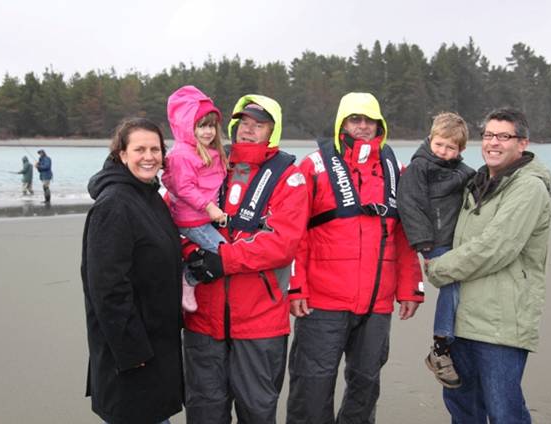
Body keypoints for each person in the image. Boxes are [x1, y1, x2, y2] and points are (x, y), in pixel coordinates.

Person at [286, 92, 425, 424]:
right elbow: (296, 234)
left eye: (369, 120)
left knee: (365, 385)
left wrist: (410, 287)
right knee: (312, 385)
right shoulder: (313, 166)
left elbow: (405, 235)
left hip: (377, 305)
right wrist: (296, 287)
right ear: (341, 124)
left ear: (380, 125)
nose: (362, 127)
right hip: (322, 303)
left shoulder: (397, 169)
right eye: (354, 120)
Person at [181, 95, 309, 423]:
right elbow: (177, 214)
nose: (249, 131)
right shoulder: (205, 163)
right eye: (244, 123)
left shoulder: (289, 177)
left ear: (273, 131)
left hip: (260, 321)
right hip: (203, 320)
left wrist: (223, 259)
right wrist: (191, 253)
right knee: (204, 412)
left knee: (257, 412)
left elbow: (282, 243)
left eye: (259, 125)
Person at [426, 107, 551, 423]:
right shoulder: (475, 183)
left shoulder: (528, 187)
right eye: (488, 135)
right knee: (464, 411)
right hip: (461, 323)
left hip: (500, 326)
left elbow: (495, 248)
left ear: (522, 143)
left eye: (503, 136)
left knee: (504, 412)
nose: (493, 143)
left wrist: (439, 268)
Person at [80, 117, 183, 424]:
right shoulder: (115, 205)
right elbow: (107, 288)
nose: (149, 156)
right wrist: (133, 352)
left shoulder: (149, 197)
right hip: (131, 356)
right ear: (122, 154)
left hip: (155, 348)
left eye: (155, 149)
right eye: (140, 149)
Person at [396, 112, 475, 389]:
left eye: (450, 147)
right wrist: (423, 242)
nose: (443, 151)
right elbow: (409, 204)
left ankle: (458, 337)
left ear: (460, 150)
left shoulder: (462, 172)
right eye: (439, 144)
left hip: (456, 241)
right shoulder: (419, 168)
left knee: (464, 288)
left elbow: (477, 184)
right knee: (451, 285)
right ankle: (440, 346)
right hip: (434, 241)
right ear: (431, 139)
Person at [161, 85, 228, 313]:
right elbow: (183, 187)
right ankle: (188, 278)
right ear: (188, 127)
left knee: (219, 251)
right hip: (192, 219)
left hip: (202, 217)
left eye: (211, 125)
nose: (208, 131)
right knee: (224, 253)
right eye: (201, 126)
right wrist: (209, 207)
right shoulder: (182, 155)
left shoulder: (208, 151)